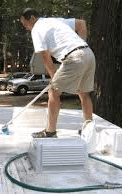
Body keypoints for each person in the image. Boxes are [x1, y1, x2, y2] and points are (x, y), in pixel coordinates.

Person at [20, 8, 96, 138]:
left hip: (74, 57)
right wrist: (81, 44)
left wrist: (54, 77)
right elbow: (81, 24)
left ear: (32, 18)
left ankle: (50, 131)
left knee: (53, 91)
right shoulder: (54, 21)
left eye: (25, 24)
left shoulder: (37, 29)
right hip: (88, 54)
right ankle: (89, 131)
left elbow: (45, 57)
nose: (26, 28)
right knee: (84, 93)